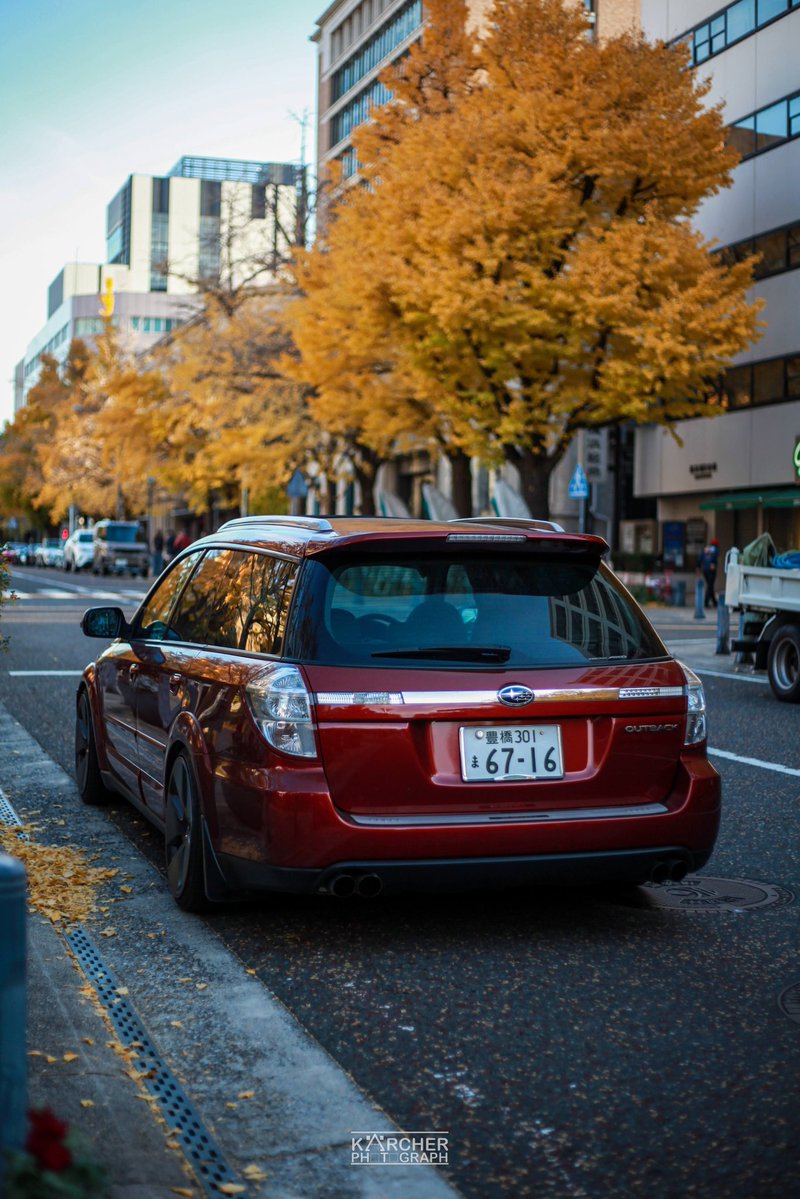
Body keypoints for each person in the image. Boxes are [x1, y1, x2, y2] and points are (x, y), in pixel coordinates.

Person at [697, 538, 720, 609]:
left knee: (710, 585)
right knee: (710, 586)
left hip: (705, 570)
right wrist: (713, 563)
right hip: (711, 570)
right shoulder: (714, 549)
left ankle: (715, 602)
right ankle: (706, 602)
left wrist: (698, 567)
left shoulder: (705, 549)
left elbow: (699, 558)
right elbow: (716, 555)